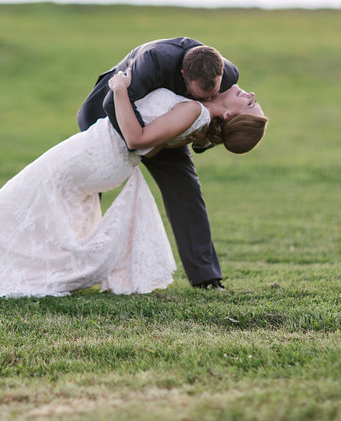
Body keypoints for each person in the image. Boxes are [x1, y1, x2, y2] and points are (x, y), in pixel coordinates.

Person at [0, 70, 267, 302]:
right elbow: (153, 146)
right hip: (104, 158)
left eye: (250, 103)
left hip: (100, 152)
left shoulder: (194, 112)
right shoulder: (195, 115)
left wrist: (121, 90)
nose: (248, 93)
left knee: (18, 193)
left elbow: (138, 140)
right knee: (47, 210)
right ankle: (62, 273)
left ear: (232, 116)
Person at [76, 38, 241, 290]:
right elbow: (113, 101)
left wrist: (198, 140)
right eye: (201, 95)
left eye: (213, 93)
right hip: (108, 118)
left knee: (186, 190)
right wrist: (148, 142)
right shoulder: (154, 60)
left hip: (169, 130)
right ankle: (74, 265)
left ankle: (206, 278)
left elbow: (220, 118)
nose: (209, 99)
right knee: (87, 189)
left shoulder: (228, 73)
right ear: (183, 75)